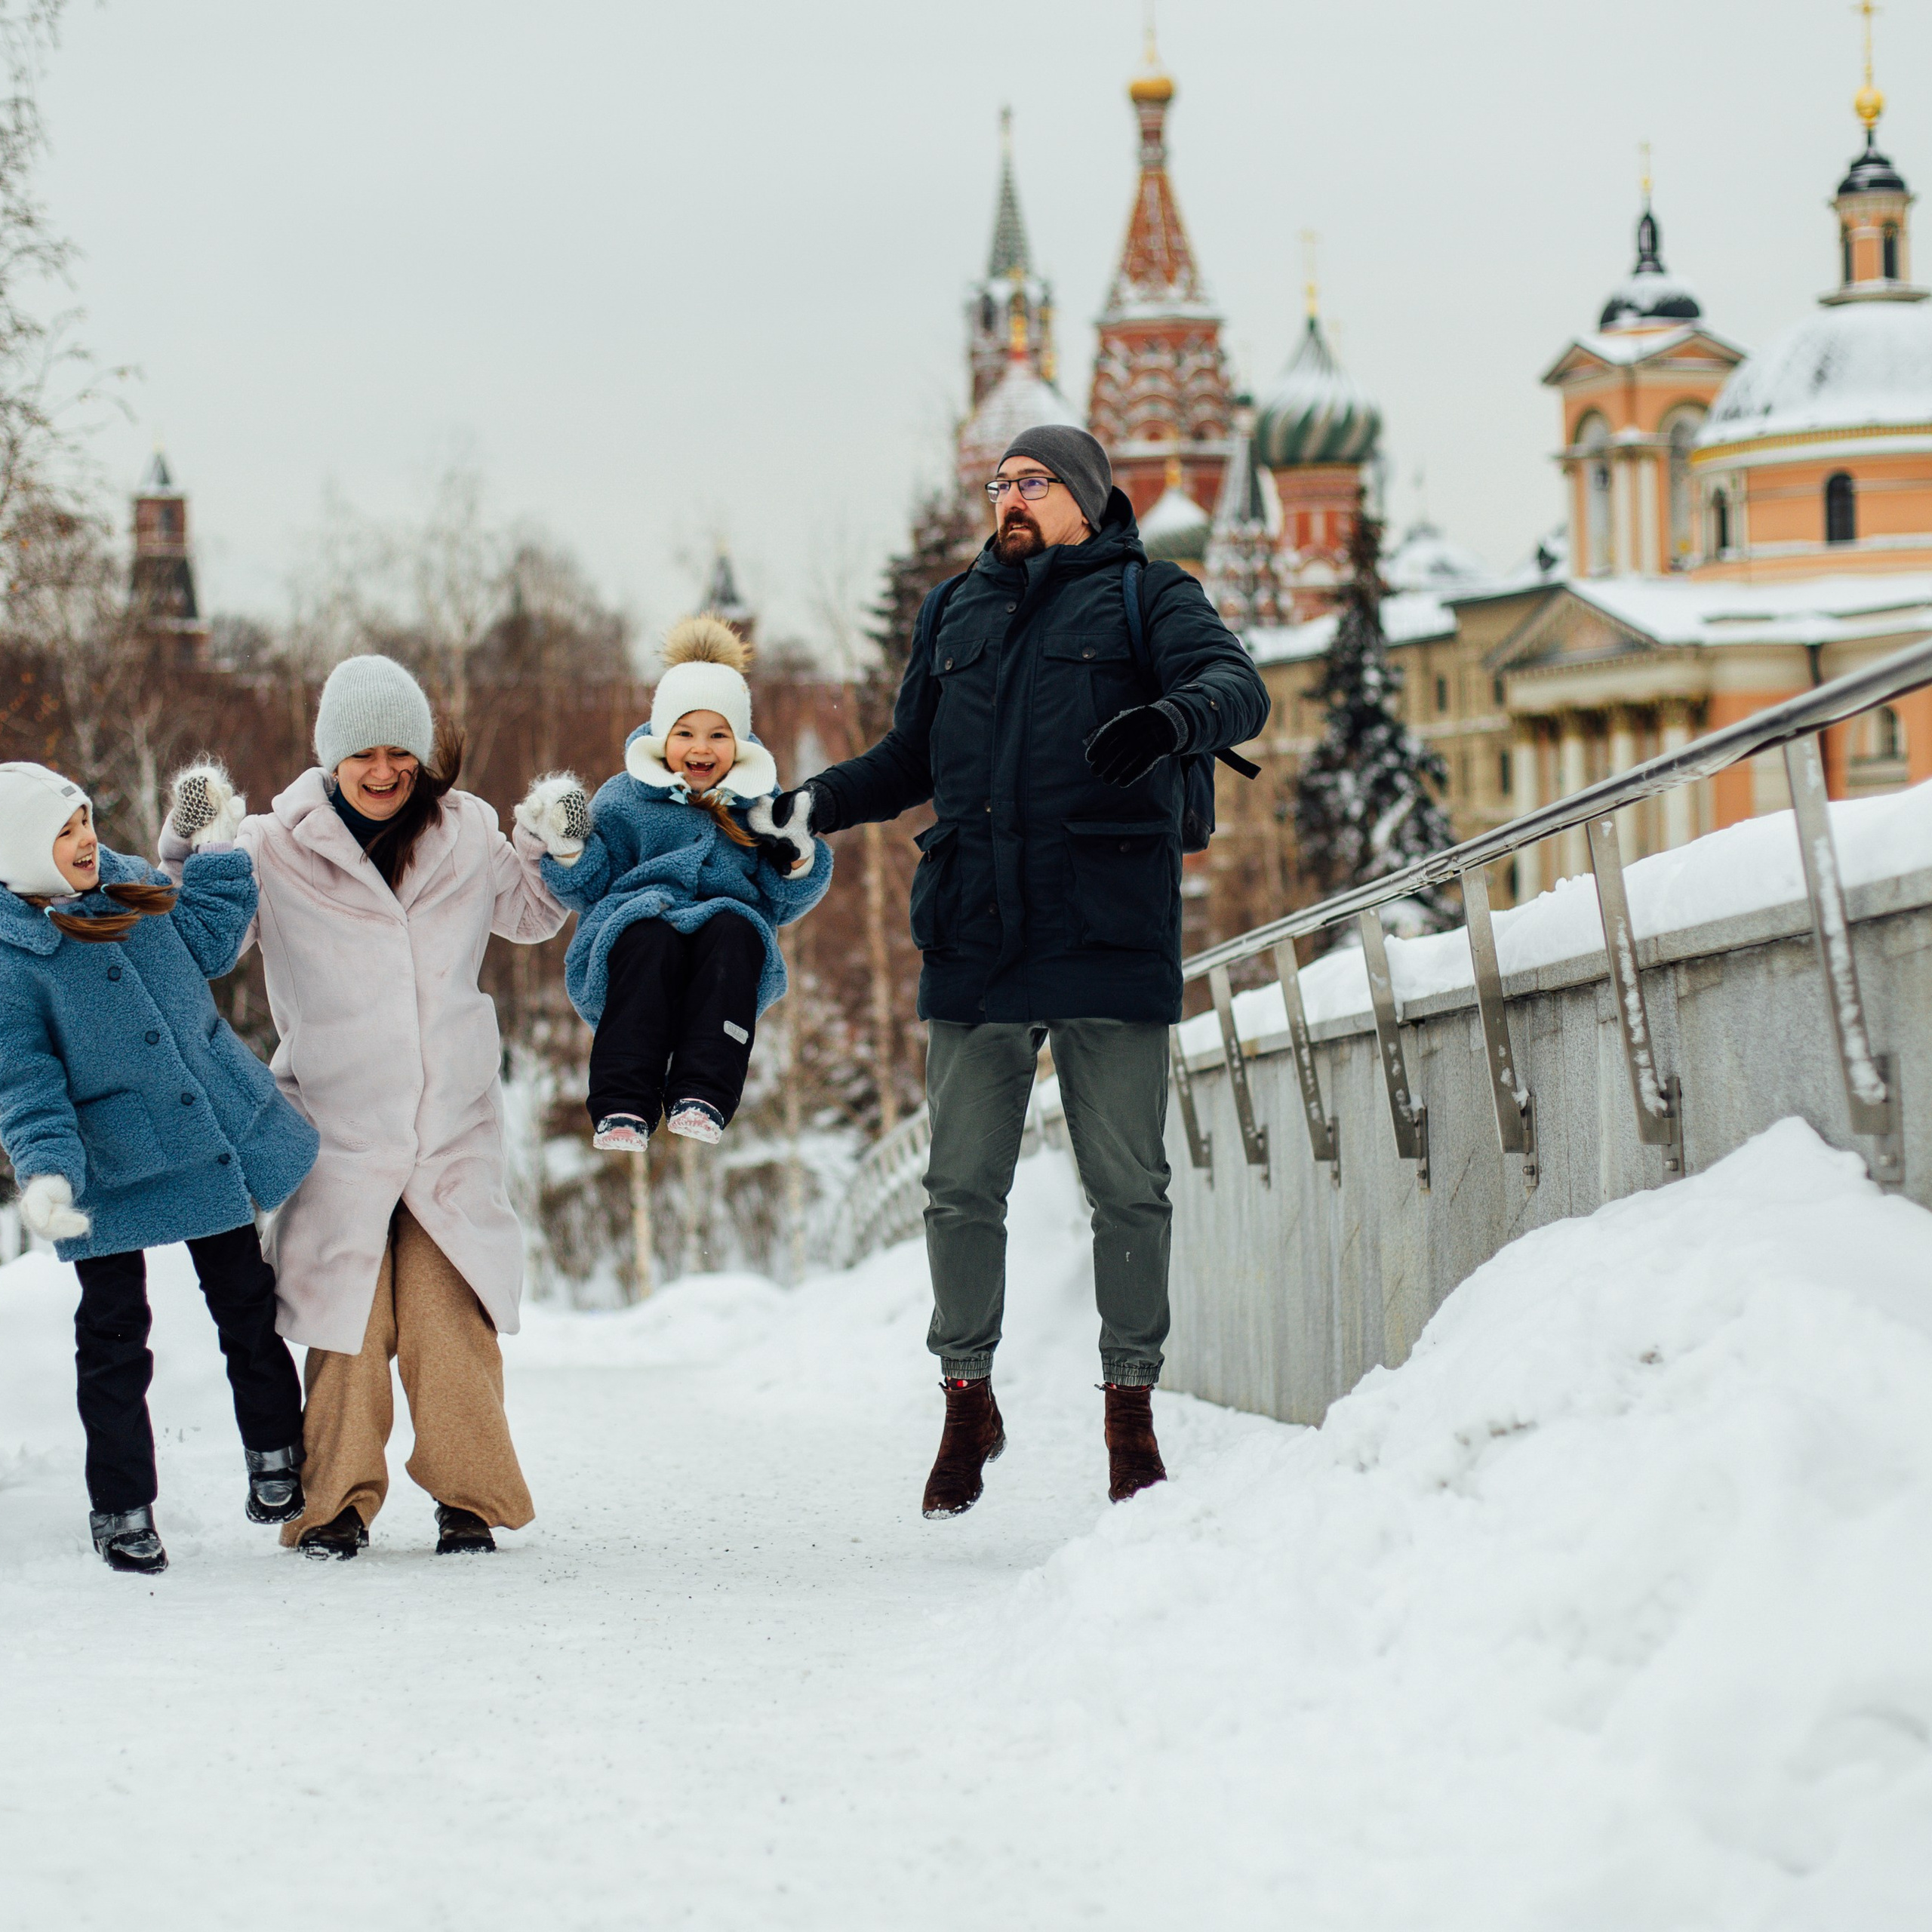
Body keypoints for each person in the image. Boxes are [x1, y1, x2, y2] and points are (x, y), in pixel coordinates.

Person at [758, 426, 1269, 1515]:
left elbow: (1237, 687)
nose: (1012, 500)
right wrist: (815, 804)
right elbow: (909, 759)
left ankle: (1129, 1414)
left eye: (1034, 483)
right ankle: (964, 1401)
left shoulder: (1151, 593)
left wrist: (1172, 718)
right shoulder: (955, 610)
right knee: (959, 1187)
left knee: (1129, 1187)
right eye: (1000, 485)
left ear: (1086, 498)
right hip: (977, 930)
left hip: (1107, 926)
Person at [162, 655, 578, 1559]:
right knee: (346, 1317)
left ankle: (470, 1500)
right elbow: (207, 943)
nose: (384, 770)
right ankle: (334, 1505)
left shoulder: (465, 831)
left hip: (448, 1127)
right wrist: (192, 850)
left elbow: (536, 913)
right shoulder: (273, 845)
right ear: (330, 757)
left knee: (446, 1306)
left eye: (401, 752)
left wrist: (553, 838)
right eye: (364, 753)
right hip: (335, 1129)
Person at [0, 761, 318, 1574]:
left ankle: (277, 1456)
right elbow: (26, 1084)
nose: (85, 841)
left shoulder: (131, 884)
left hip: (204, 1133)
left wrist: (212, 848)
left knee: (246, 1306)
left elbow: (210, 945)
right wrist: (47, 1175)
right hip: (113, 1163)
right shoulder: (10, 962)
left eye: (85, 821)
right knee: (113, 1343)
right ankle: (122, 1507)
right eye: (61, 831)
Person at [540, 616, 832, 1150]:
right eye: (685, 733)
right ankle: (623, 1103)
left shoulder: (759, 805)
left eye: (718, 735)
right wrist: (571, 847)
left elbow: (781, 898)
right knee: (648, 939)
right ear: (662, 736)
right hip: (634, 934)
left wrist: (795, 857)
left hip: (722, 950)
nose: (701, 748)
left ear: (739, 743)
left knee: (734, 930)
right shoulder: (625, 798)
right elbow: (591, 886)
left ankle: (703, 1094)